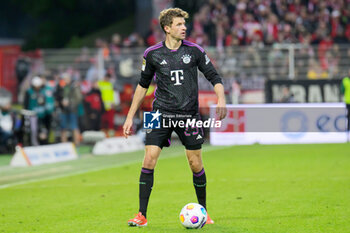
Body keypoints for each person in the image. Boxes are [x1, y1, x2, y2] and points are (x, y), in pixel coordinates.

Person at [123, 8, 227, 227]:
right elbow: (142, 86)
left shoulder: (195, 51)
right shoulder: (152, 54)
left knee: (195, 162)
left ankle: (204, 212)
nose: (184, 28)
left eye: (184, 24)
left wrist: (221, 98)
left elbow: (214, 77)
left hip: (188, 114)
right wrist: (130, 116)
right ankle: (141, 215)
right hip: (159, 112)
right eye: (179, 25)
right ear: (167, 28)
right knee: (149, 158)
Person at [341, 73, 350, 141]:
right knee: (349, 118)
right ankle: (348, 135)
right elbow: (342, 90)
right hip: (348, 101)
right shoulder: (345, 80)